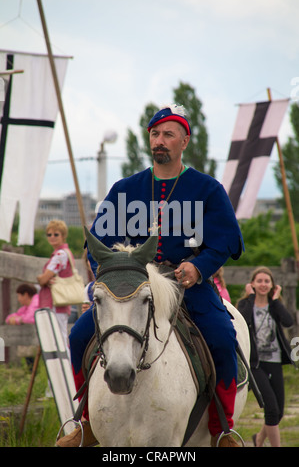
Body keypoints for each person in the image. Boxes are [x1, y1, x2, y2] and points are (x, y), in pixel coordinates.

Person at [58, 104, 244, 447]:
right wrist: (112, 274)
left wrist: (198, 266)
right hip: (130, 286)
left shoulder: (207, 189)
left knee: (221, 337)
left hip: (185, 285)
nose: (160, 141)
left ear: (184, 140)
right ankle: (86, 424)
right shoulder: (126, 188)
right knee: (79, 336)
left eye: (168, 135)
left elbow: (226, 242)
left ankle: (222, 430)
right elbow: (98, 244)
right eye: (155, 134)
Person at [237, 266, 294, 447]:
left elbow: (288, 322)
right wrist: (251, 297)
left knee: (279, 414)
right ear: (252, 284)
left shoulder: (275, 306)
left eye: (267, 281)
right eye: (259, 281)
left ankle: (259, 439)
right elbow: (243, 321)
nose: (263, 284)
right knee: (271, 409)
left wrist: (276, 300)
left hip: (275, 361)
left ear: (272, 285)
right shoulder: (245, 305)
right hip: (256, 364)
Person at [37, 220, 76, 358]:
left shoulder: (60, 255)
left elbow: (43, 279)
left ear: (63, 235)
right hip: (57, 303)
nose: (52, 236)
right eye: (49, 234)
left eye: (56, 234)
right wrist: (44, 279)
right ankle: (63, 375)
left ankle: (64, 375)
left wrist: (42, 279)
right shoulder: (61, 254)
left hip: (56, 303)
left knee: (58, 341)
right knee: (57, 339)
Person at [5, 283, 40, 371]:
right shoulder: (26, 307)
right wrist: (13, 319)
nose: (18, 299)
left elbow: (30, 318)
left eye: (19, 296)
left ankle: (33, 371)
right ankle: (31, 371)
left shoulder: (36, 303)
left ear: (26, 295)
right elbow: (10, 317)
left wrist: (17, 320)